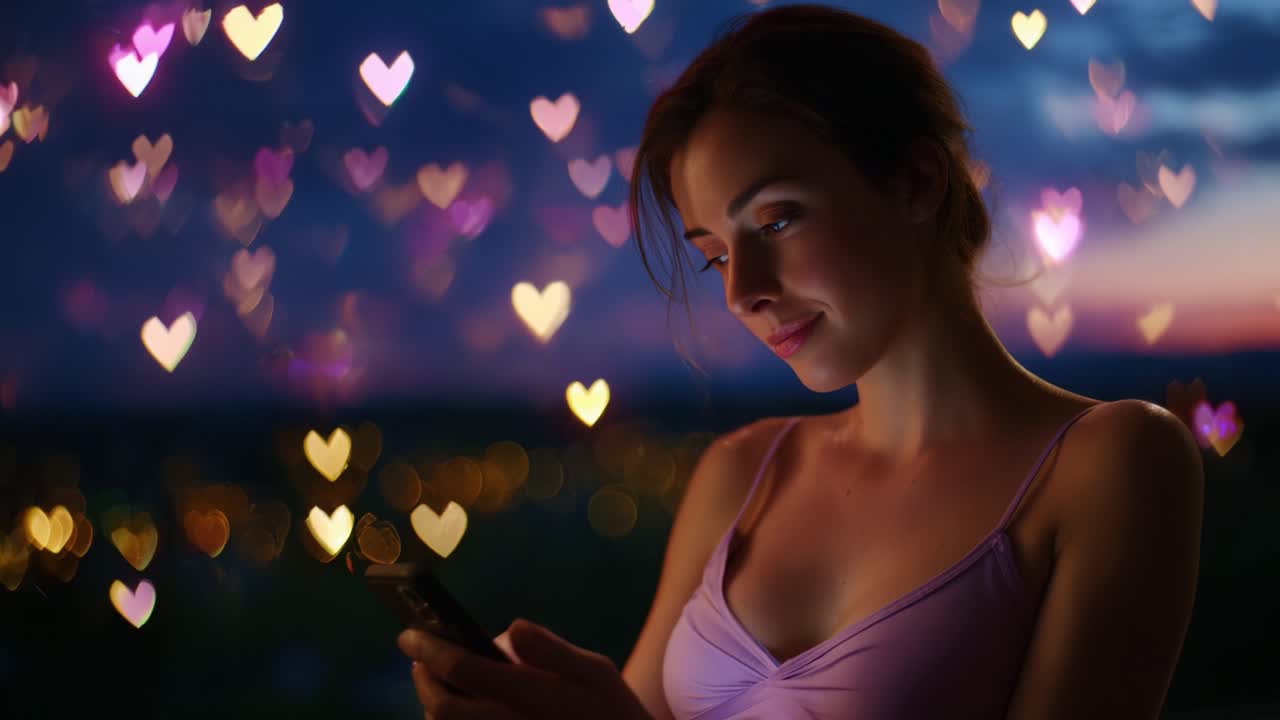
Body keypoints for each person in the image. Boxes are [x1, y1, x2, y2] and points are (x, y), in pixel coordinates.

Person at [398, 4, 1204, 718]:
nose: (742, 291)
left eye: (777, 222)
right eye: (715, 255)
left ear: (917, 182)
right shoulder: (742, 473)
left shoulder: (1112, 462)